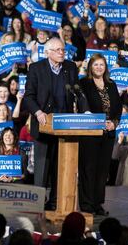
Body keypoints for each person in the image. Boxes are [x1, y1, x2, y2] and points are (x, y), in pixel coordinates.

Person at [24, 37, 85, 210]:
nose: (61, 53)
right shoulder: (36, 68)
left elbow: (78, 92)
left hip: (64, 127)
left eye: (63, 50)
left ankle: (55, 203)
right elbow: (28, 97)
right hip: (44, 125)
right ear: (47, 52)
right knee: (42, 169)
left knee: (61, 168)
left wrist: (85, 112)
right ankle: (37, 205)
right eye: (58, 50)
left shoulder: (70, 67)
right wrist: (38, 112)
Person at [78, 53, 122, 215]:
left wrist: (114, 123)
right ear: (90, 67)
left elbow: (117, 107)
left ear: (106, 67)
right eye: (95, 64)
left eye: (101, 65)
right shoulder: (84, 83)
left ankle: (97, 204)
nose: (98, 67)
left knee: (102, 170)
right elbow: (83, 106)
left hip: (108, 133)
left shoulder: (111, 85)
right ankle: (86, 204)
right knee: (88, 168)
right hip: (90, 133)